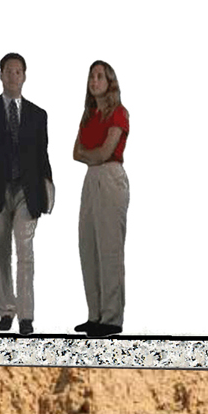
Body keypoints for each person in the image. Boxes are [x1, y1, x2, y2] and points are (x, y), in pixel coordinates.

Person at [0, 51, 52, 334]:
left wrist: (48, 187)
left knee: (25, 250)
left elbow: (43, 156)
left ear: (24, 77)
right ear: (0, 75)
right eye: (9, 71)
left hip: (28, 191)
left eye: (18, 71)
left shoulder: (39, 115)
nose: (14, 76)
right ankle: (6, 311)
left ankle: (26, 317)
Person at [73, 59, 130, 337]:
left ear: (109, 82)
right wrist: (89, 156)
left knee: (109, 248)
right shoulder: (88, 116)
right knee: (88, 246)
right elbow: (75, 152)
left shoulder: (118, 113)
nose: (94, 81)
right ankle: (94, 315)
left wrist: (89, 155)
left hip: (110, 177)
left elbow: (105, 152)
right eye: (91, 77)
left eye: (99, 76)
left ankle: (111, 318)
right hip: (90, 180)